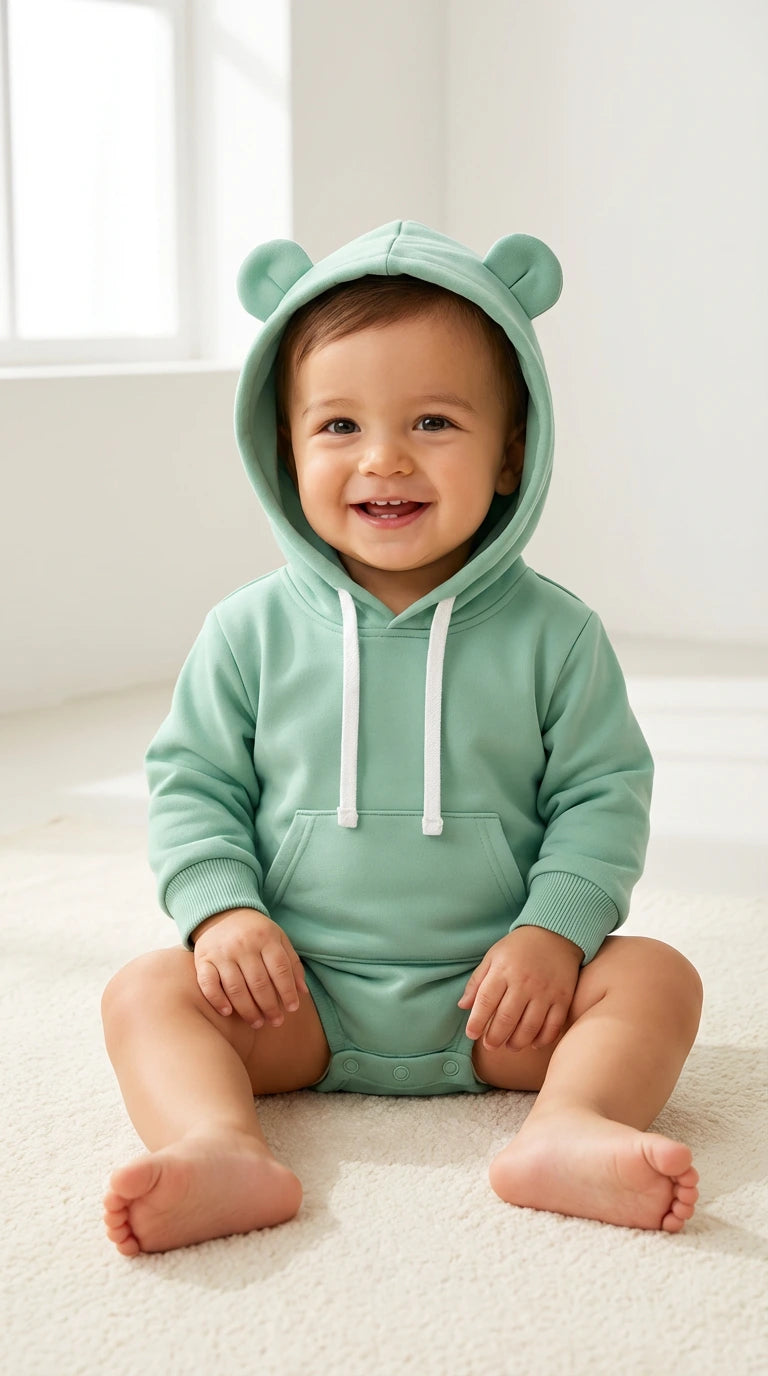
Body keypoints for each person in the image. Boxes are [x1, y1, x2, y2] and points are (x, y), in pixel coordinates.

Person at [101, 220, 703, 1257]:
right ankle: (220, 1142)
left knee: (657, 976)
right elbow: (193, 784)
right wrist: (222, 914)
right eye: (337, 425)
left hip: (502, 1000)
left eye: (432, 420)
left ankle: (567, 1123)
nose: (383, 456)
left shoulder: (555, 635)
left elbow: (603, 795)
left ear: (512, 453)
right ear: (282, 451)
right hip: (295, 996)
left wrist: (553, 934)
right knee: (145, 990)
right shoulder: (246, 631)